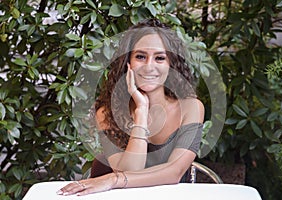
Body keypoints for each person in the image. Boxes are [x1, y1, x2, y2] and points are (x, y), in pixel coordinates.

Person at [57, 18, 204, 196]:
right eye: (140, 57)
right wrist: (141, 112)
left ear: (171, 65)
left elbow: (175, 172)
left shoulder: (191, 108)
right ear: (128, 63)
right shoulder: (107, 112)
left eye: (159, 58)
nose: (149, 67)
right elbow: (130, 170)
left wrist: (114, 179)